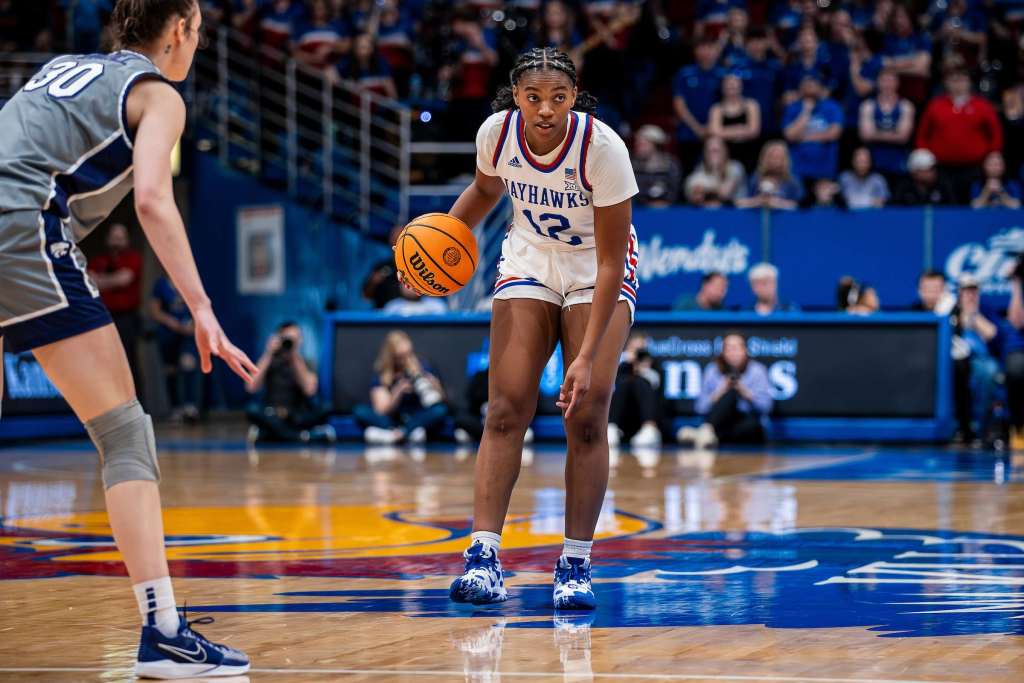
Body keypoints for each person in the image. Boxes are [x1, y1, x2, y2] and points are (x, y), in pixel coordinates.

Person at [0, 1, 255, 677]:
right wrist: (201, 307)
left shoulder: (59, 67)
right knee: (123, 433)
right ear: (180, 30)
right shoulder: (156, 94)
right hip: (21, 235)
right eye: (198, 32)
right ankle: (163, 630)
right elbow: (151, 198)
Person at [441, 47, 639, 610]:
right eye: (534, 97)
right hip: (530, 258)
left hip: (593, 268)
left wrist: (583, 356)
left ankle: (575, 562)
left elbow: (608, 262)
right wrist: (438, 239)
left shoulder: (603, 148)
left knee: (589, 408)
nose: (545, 108)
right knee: (505, 408)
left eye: (558, 97)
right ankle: (483, 557)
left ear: (574, 97)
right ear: (516, 97)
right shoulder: (497, 135)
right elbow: (483, 192)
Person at [915, 66, 1002, 203]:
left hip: (974, 167)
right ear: (946, 83)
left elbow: (996, 133)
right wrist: (926, 157)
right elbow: (922, 135)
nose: (958, 84)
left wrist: (993, 153)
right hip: (943, 168)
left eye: (962, 80)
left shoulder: (982, 106)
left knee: (971, 202)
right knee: (948, 203)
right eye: (954, 80)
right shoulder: (935, 106)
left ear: (969, 82)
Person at [677, 333, 773, 449]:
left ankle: (702, 435)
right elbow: (700, 408)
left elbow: (766, 407)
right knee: (730, 394)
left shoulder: (757, 370)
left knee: (752, 428)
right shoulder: (712, 370)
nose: (734, 353)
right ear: (723, 352)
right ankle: (707, 432)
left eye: (737, 348)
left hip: (746, 422)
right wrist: (721, 391)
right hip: (719, 421)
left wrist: (744, 392)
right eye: (729, 349)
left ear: (746, 351)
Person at [245, 321, 334, 444]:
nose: (291, 342)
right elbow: (250, 387)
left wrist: (294, 357)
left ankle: (272, 434)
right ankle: (302, 436)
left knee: (326, 408)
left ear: (300, 341)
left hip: (297, 414)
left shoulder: (305, 362)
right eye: (287, 339)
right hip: (272, 414)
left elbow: (310, 390)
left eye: (295, 339)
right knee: (252, 410)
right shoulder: (269, 361)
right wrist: (268, 353)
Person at [353, 330, 448, 444]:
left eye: (408, 354)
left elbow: (440, 400)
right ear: (392, 356)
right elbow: (381, 410)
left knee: (440, 410)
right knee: (360, 411)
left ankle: (396, 434)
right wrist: (398, 391)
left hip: (416, 416)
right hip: (392, 418)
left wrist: (433, 384)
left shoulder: (423, 367)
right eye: (400, 357)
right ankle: (407, 433)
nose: (405, 360)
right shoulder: (383, 373)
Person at [88, 223, 144, 390]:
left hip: (126, 317)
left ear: (127, 240)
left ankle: (137, 402)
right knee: (104, 361)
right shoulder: (99, 260)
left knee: (128, 360)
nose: (117, 241)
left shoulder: (133, 258)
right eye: (114, 237)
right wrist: (111, 280)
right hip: (103, 317)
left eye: (120, 238)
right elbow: (89, 281)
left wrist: (101, 280)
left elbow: (124, 279)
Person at [950, 275, 999, 446]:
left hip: (982, 360)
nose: (970, 295)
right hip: (958, 361)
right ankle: (961, 426)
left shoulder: (986, 310)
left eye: (973, 291)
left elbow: (992, 334)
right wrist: (963, 315)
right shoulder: (952, 312)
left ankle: (979, 425)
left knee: (988, 371)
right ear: (959, 293)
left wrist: (974, 316)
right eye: (966, 291)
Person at [149, 275, 201, 422]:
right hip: (168, 334)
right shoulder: (161, 284)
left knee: (188, 364)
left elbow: (199, 306)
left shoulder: (189, 280)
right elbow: (155, 310)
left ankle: (190, 406)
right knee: (170, 371)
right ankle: (176, 408)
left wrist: (192, 325)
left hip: (187, 334)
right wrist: (171, 322)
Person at [673, 38, 725, 171]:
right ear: (695, 51)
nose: (706, 51)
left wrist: (711, 126)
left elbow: (727, 103)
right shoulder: (685, 73)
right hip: (688, 132)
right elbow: (679, 103)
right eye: (702, 47)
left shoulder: (723, 74)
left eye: (710, 47)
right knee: (688, 171)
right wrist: (697, 128)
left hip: (717, 132)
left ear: (716, 50)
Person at [782, 73, 843, 185]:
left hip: (824, 167)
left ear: (820, 87)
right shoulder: (793, 108)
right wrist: (806, 112)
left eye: (812, 84)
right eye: (806, 85)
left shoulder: (831, 106)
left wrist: (803, 137)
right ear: (800, 88)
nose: (809, 87)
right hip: (797, 168)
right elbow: (789, 135)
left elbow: (834, 133)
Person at [607, 333, 662, 449]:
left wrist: (644, 370)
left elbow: (656, 383)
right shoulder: (622, 366)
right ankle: (612, 428)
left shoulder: (655, 365)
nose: (638, 353)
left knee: (641, 382)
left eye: (641, 350)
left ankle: (649, 428)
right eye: (635, 349)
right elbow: (613, 386)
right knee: (624, 382)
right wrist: (628, 362)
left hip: (644, 416)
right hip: (624, 417)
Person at [858, 69, 915, 179]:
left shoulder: (906, 106)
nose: (887, 85)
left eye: (891, 81)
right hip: (872, 161)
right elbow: (865, 135)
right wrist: (894, 134)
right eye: (884, 81)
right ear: (878, 83)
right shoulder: (868, 105)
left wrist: (876, 133)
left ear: (897, 83)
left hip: (898, 161)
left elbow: (903, 137)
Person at [708, 73, 761, 170]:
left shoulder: (751, 105)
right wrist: (742, 129)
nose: (732, 88)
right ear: (722, 88)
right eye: (729, 85)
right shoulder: (717, 108)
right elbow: (715, 133)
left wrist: (726, 131)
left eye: (735, 85)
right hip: (726, 155)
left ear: (741, 86)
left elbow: (754, 131)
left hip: (750, 152)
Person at [736, 140, 803, 209]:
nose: (776, 161)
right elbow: (740, 202)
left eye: (779, 157)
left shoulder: (792, 181)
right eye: (772, 157)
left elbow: (799, 206)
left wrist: (777, 203)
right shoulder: (755, 178)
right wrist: (759, 201)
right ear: (765, 158)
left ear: (785, 159)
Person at [685, 136, 747, 207]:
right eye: (709, 151)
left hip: (737, 215)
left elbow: (725, 192)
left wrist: (704, 190)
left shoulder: (735, 167)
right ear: (704, 154)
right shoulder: (700, 171)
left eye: (716, 151)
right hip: (709, 216)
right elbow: (695, 196)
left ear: (725, 152)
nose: (713, 155)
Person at [632, 124, 682, 207]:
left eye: (642, 145)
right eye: (636, 145)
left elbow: (674, 191)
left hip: (666, 211)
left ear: (654, 144)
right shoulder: (632, 166)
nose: (637, 148)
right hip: (640, 211)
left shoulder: (670, 165)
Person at [892, 148, 957, 206]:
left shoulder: (943, 185)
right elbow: (894, 210)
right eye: (928, 169)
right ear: (914, 172)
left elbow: (953, 209)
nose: (932, 173)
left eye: (933, 169)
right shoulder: (904, 187)